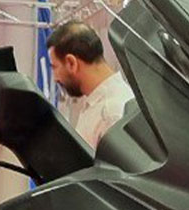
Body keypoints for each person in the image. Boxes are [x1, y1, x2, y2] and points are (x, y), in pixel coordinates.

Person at [46, 21, 135, 149]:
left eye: (55, 67)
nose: (55, 78)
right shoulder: (97, 104)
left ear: (71, 63)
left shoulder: (111, 112)